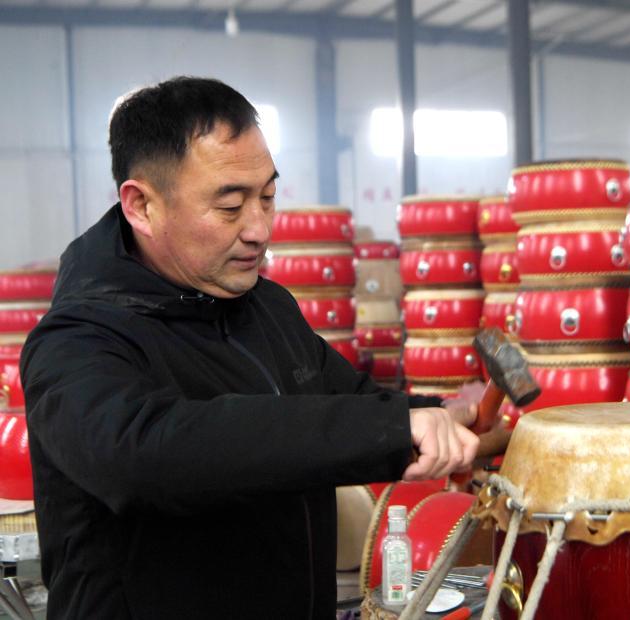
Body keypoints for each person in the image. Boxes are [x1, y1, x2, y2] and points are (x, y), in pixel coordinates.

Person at [20, 76, 480, 619]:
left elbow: (347, 399)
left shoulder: (267, 309)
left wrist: (447, 415)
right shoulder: (77, 341)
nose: (260, 230)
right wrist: (390, 430)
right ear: (141, 206)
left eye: (267, 197)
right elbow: (149, 456)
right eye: (231, 207)